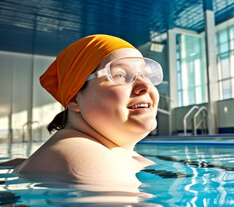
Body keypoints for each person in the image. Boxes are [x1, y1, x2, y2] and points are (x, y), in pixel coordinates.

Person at [12, 34, 162, 190]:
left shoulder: (110, 154)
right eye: (120, 75)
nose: (145, 85)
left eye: (145, 75)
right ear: (75, 99)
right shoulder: (88, 160)